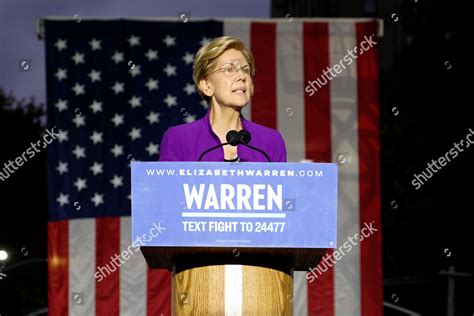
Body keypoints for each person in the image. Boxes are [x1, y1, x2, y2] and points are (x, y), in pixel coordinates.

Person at [159, 36, 286, 162]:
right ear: (207, 86)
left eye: (246, 70)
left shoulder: (271, 142)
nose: (242, 76)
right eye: (229, 69)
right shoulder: (179, 139)